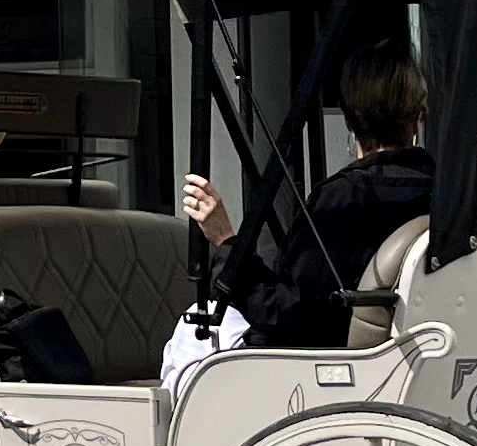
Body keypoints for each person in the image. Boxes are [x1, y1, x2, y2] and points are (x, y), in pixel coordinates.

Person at [177, 36, 443, 349]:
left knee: (188, 334)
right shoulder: (449, 197)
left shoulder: (341, 202)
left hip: (325, 363)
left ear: (349, 119)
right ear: (417, 118)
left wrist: (225, 242)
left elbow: (285, 313)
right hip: (423, 354)